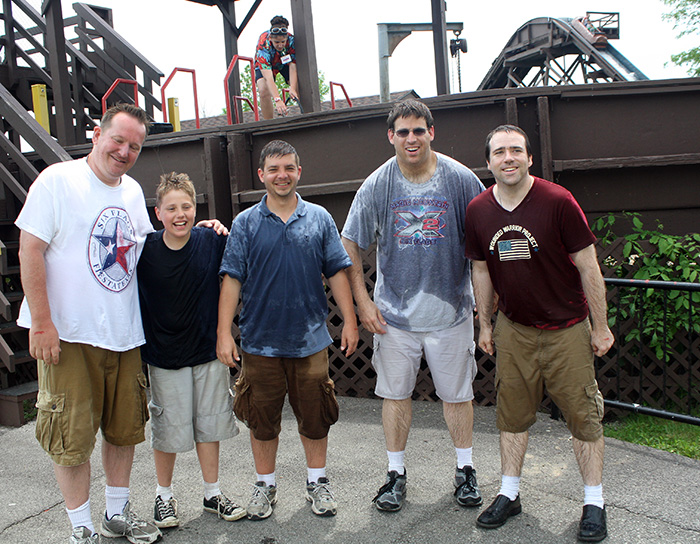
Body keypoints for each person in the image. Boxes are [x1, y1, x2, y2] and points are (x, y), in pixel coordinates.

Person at [17, 104, 162, 544]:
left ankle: (116, 514)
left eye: (134, 146)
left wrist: (198, 231)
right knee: (71, 436)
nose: (124, 151)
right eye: (118, 140)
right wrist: (41, 322)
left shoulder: (133, 192)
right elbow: (30, 250)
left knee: (123, 431)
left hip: (124, 333)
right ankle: (80, 526)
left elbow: (146, 247)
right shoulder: (58, 181)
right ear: (97, 134)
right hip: (69, 335)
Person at [465, 125, 614, 542]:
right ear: (490, 161)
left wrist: (600, 327)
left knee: (583, 418)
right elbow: (480, 269)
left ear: (530, 158)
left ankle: (594, 502)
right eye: (499, 152)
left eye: (516, 150)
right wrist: (485, 324)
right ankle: (509, 494)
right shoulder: (478, 210)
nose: (508, 157)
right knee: (511, 415)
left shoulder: (557, 201)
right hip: (515, 330)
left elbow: (588, 266)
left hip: (567, 328)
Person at [341, 99, 485, 512]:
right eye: (402, 132)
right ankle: (395, 474)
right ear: (390, 137)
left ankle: (465, 469)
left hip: (451, 312)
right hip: (395, 318)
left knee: (458, 396)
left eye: (418, 130)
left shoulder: (459, 179)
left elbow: (482, 239)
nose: (411, 138)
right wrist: (364, 303)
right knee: (395, 395)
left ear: (431, 132)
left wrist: (483, 302)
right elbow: (349, 242)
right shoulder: (378, 184)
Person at [217, 140, 358, 520]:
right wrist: (224, 332)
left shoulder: (319, 218)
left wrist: (349, 319)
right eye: (274, 169)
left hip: (310, 339)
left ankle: (318, 482)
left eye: (289, 168)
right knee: (261, 420)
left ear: (299, 172)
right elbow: (231, 279)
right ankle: (265, 485)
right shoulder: (245, 224)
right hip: (259, 342)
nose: (282, 175)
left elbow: (336, 272)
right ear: (262, 174)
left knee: (315, 415)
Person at [137, 172, 244, 530]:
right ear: (158, 213)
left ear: (196, 209)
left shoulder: (210, 240)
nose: (179, 214)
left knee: (209, 426)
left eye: (187, 206)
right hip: (164, 356)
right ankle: (163, 496)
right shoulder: (145, 248)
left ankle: (212, 492)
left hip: (207, 351)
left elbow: (236, 271)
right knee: (168, 429)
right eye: (171, 208)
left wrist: (219, 226)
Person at [254, 15, 299, 120]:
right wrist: (277, 99)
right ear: (270, 38)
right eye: (277, 42)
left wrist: (292, 87)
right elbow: (268, 78)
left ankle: (305, 116)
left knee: (298, 85)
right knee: (263, 90)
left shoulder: (291, 41)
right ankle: (269, 123)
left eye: (283, 42)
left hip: (283, 62)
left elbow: (293, 66)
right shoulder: (263, 44)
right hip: (268, 64)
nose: (280, 45)